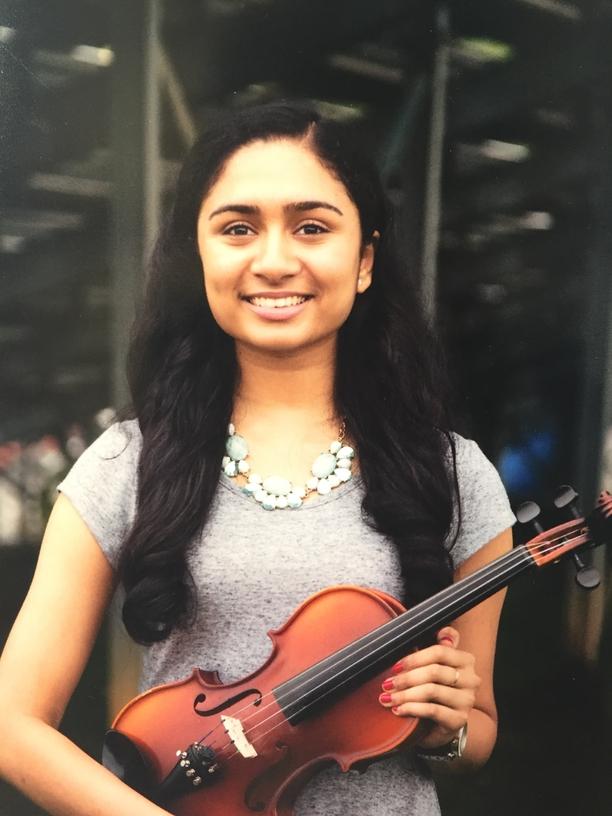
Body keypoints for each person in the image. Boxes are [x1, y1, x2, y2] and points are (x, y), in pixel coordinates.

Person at [0, 101, 515, 816]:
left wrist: (445, 723)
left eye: (312, 227)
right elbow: (11, 723)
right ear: (200, 254)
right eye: (238, 228)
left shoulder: (456, 475)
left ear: (364, 260)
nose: (274, 261)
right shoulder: (125, 464)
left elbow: (477, 728)